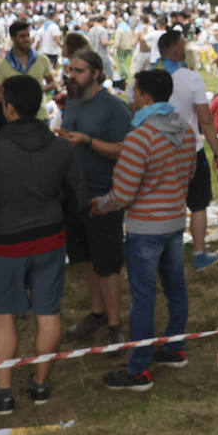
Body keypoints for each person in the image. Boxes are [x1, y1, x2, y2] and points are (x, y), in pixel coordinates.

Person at [0, 76, 85, 414]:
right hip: (50, 238)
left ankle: (3, 393)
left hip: (6, 242)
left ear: (10, 107)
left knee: (4, 315)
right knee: (48, 313)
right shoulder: (62, 147)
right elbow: (78, 199)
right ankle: (41, 384)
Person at [91, 68, 198, 391]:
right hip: (175, 221)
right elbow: (188, 174)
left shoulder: (140, 136)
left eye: (134, 91)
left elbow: (123, 192)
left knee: (142, 298)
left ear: (146, 97)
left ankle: (139, 369)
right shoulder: (184, 130)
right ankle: (174, 348)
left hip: (145, 228)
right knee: (176, 287)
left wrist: (101, 204)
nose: (130, 96)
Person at [57, 49, 134, 349]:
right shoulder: (72, 102)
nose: (71, 76)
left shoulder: (113, 107)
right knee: (87, 258)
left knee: (108, 262)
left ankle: (115, 324)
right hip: (75, 192)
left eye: (78, 71)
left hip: (105, 194)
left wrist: (88, 141)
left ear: (96, 73)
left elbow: (126, 150)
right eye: (69, 70)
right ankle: (97, 312)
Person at [153, 30, 218, 270]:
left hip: (156, 151)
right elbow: (205, 119)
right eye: (183, 45)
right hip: (189, 151)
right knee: (198, 204)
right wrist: (217, 152)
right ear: (177, 50)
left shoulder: (143, 77)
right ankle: (199, 253)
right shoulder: (191, 78)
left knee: (162, 204)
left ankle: (164, 255)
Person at [0, 20, 56, 103]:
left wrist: (39, 90)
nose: (26, 39)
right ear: (12, 38)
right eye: (22, 36)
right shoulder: (3, 66)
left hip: (40, 113)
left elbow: (52, 83)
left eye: (28, 35)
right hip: (15, 114)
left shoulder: (42, 59)